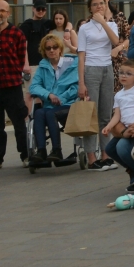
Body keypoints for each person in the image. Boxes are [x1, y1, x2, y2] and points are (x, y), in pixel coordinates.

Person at [75, 0, 121, 170]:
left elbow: (116, 42)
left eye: (101, 3)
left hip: (107, 68)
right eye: (95, 4)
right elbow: (81, 56)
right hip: (91, 69)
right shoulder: (85, 28)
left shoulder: (112, 24)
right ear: (90, 8)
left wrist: (103, 22)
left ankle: (105, 154)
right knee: (90, 114)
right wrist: (81, 82)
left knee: (105, 114)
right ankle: (91, 156)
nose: (98, 7)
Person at [0, 0, 30, 172]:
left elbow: (20, 57)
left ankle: (25, 155)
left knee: (19, 123)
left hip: (12, 85)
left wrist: (16, 71)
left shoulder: (17, 34)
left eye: (3, 11)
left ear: (8, 14)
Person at [28, 32, 79, 168]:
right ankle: (41, 151)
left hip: (68, 104)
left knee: (49, 113)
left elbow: (76, 87)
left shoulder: (72, 64)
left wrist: (61, 98)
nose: (51, 50)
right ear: (44, 51)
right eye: (48, 48)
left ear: (60, 49)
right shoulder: (43, 66)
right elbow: (34, 86)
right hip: (50, 104)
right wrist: (49, 95)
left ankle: (57, 150)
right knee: (38, 113)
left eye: (54, 47)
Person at [102, 61, 134, 192]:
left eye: (128, 74)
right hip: (126, 129)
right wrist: (108, 126)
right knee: (109, 148)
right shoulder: (118, 94)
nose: (124, 76)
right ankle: (133, 169)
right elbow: (117, 115)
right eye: (121, 73)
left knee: (124, 148)